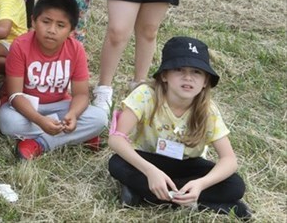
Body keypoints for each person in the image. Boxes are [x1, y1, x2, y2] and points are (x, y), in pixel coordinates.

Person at [107, 37, 249, 218]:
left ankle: (143, 195)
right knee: (117, 163)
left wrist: (201, 184)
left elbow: (229, 159)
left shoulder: (207, 110)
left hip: (186, 165)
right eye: (179, 69)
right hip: (149, 160)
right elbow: (117, 138)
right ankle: (207, 204)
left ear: (205, 81)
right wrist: (150, 171)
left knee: (235, 185)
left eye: (196, 72)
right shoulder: (145, 95)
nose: (188, 77)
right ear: (164, 75)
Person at [0, 0, 107, 160]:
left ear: (71, 30)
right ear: (33, 21)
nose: (52, 30)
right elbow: (15, 95)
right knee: (7, 121)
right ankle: (79, 135)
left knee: (100, 118)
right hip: (26, 108)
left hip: (60, 106)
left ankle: (39, 143)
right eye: (46, 22)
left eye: (61, 25)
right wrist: (40, 120)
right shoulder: (20, 46)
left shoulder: (76, 49)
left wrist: (73, 115)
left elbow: (82, 95)